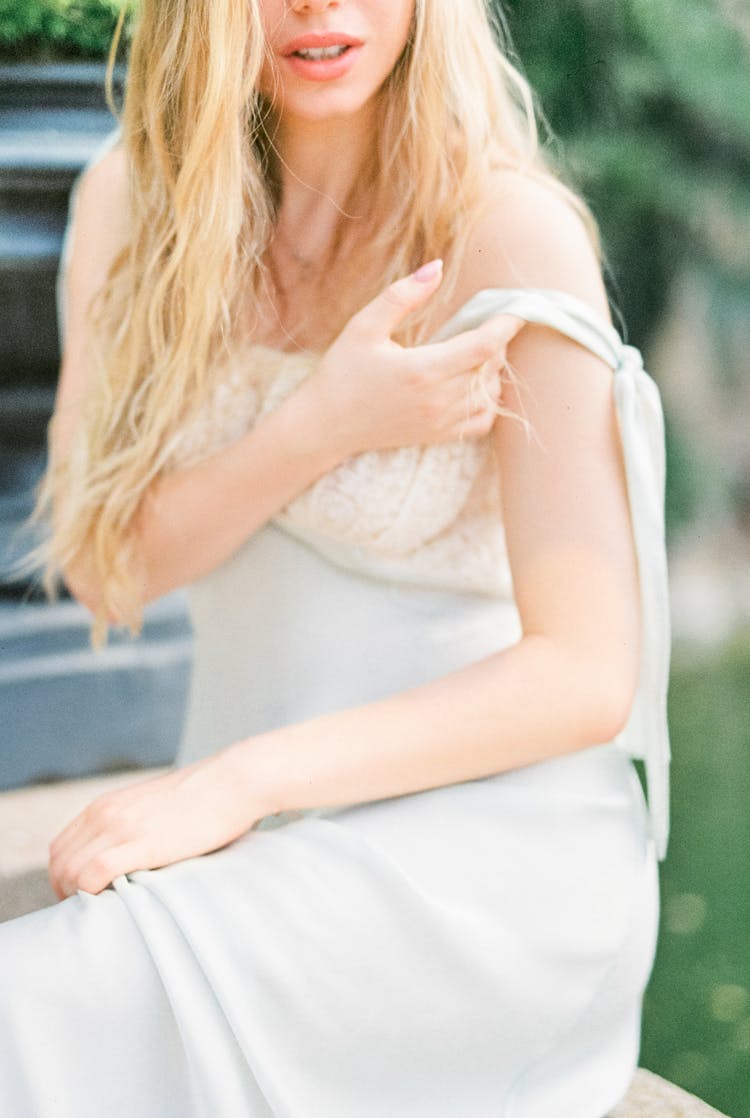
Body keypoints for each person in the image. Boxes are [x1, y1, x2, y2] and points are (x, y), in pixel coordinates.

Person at [0, 0, 671, 1114]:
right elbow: (111, 569)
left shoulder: (504, 230)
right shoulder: (130, 203)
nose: (319, 5)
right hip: (250, 843)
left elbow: (586, 673)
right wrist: (321, 424)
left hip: (489, 859)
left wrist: (239, 779)